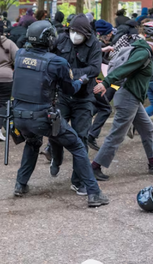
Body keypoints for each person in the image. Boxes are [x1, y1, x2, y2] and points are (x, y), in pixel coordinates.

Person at [11, 20, 109, 207]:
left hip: (19, 117)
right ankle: (94, 193)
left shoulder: (19, 54)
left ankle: (20, 185)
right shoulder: (56, 62)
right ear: (49, 39)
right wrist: (80, 80)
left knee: (32, 143)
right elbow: (70, 89)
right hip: (42, 116)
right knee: (78, 147)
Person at [91, 21, 153, 180]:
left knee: (147, 127)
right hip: (128, 97)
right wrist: (106, 83)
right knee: (116, 135)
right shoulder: (143, 53)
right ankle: (94, 167)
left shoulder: (144, 49)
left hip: (132, 96)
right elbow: (124, 69)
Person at [50, 14, 102, 195]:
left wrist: (72, 74)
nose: (75, 35)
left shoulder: (94, 44)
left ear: (86, 34)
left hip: (83, 98)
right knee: (55, 131)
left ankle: (78, 180)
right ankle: (56, 158)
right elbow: (50, 59)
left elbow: (94, 69)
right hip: (63, 96)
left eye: (79, 32)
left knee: (81, 139)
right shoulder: (61, 39)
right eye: (72, 31)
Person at [87, 19, 115, 151]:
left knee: (76, 112)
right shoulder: (94, 41)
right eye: (109, 33)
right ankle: (91, 135)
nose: (110, 35)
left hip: (81, 81)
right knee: (105, 108)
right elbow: (94, 58)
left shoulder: (88, 38)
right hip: (89, 81)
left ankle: (50, 147)